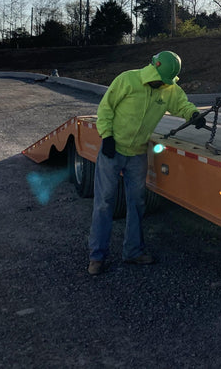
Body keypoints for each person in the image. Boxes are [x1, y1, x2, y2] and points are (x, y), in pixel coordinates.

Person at [87, 50, 204, 275]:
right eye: (160, 79)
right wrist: (107, 136)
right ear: (154, 69)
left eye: (165, 81)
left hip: (138, 153)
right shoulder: (127, 80)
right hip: (113, 151)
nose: (161, 83)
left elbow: (182, 104)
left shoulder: (169, 89)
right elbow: (106, 108)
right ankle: (97, 257)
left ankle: (133, 251)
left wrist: (194, 115)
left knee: (137, 203)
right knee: (104, 203)